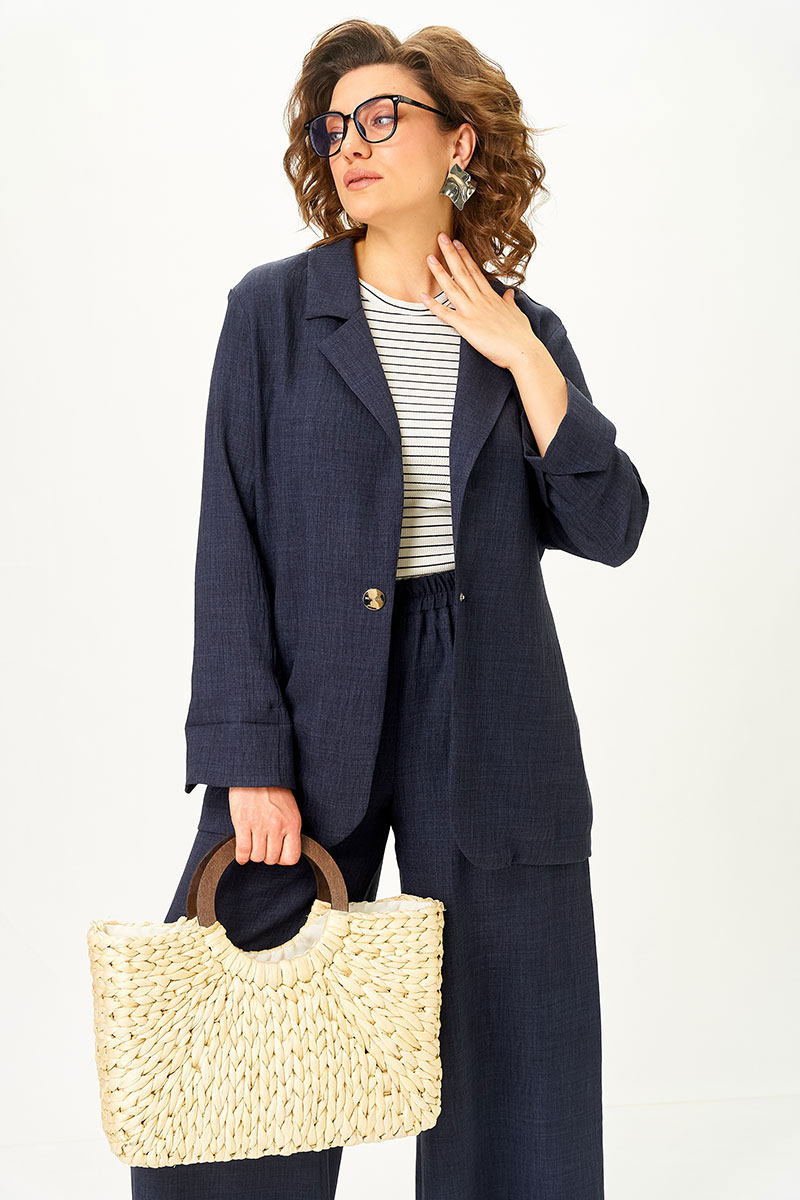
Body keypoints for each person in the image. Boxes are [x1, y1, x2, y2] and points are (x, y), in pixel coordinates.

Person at [131, 18, 649, 1200]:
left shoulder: (522, 330)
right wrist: (246, 758)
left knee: (511, 1032)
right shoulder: (273, 313)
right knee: (244, 1020)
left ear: (455, 141)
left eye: (381, 117)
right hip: (315, 696)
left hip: (491, 703)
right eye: (334, 127)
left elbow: (610, 525)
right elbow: (229, 539)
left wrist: (521, 355)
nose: (351, 144)